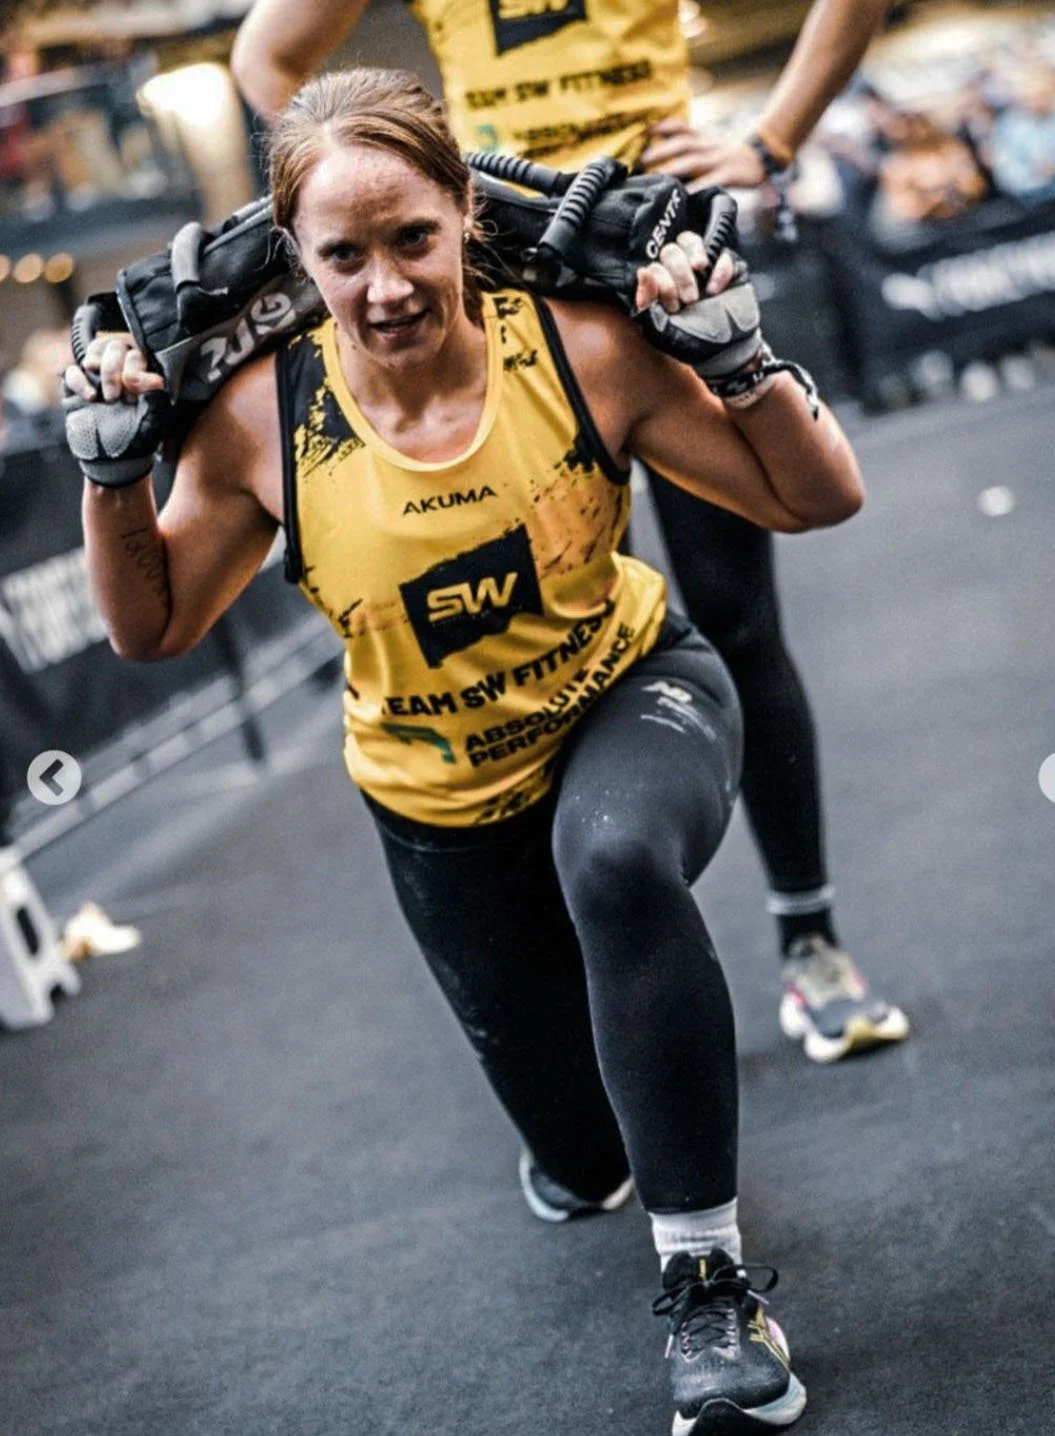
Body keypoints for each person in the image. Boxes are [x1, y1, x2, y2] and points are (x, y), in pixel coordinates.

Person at [68, 68, 864, 1434]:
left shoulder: (580, 348)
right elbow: (151, 628)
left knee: (616, 863)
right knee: (584, 1162)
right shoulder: (261, 417)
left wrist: (742, 363)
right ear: (296, 254)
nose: (384, 286)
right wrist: (107, 481)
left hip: (630, 692)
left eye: (412, 239)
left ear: (463, 214)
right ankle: (604, 1139)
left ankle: (710, 1288)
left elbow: (817, 496)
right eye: (343, 256)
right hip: (437, 801)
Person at [230, 0, 909, 1065]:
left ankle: (810, 940)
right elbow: (264, 56)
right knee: (562, 640)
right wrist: (395, 186)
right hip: (502, 266)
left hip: (647, 244)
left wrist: (769, 141)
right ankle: (621, 980)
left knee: (735, 614)